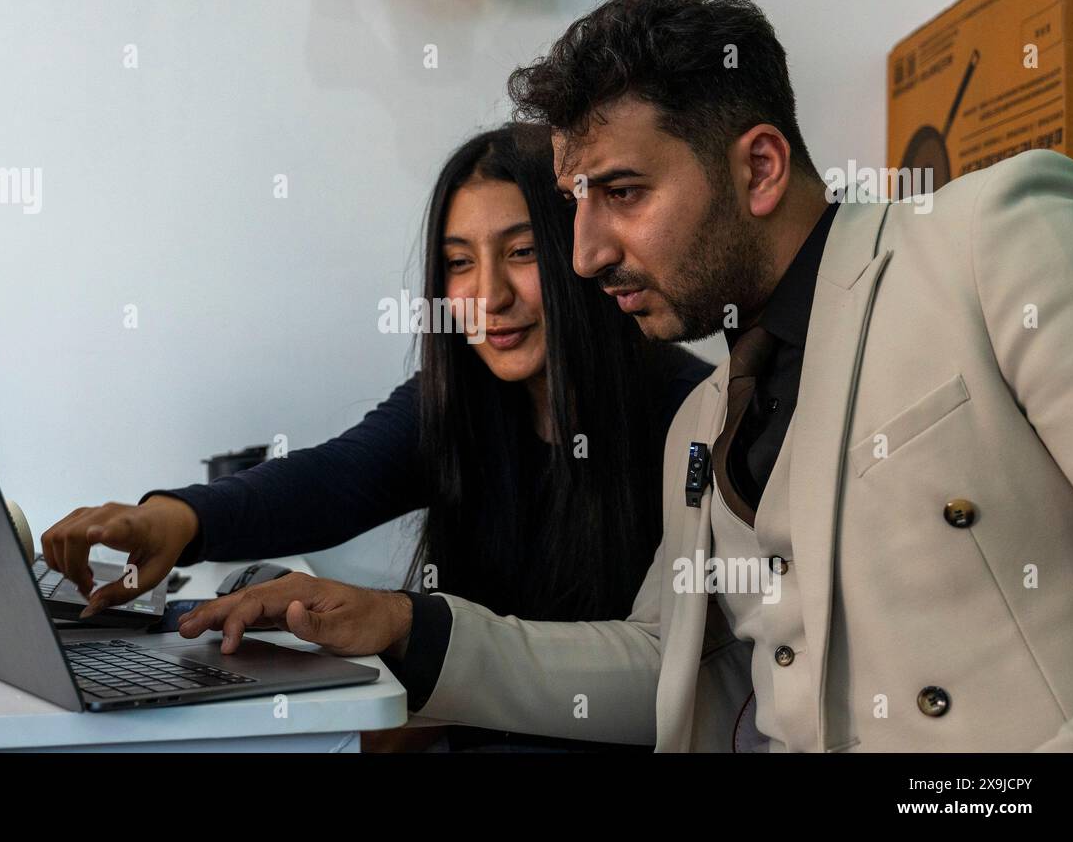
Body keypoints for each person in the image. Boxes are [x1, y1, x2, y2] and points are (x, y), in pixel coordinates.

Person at [178, 0, 1073, 752]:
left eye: (621, 193)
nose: (584, 255)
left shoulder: (986, 241)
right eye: (576, 204)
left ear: (760, 169)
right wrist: (408, 629)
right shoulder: (702, 424)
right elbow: (660, 661)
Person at [40, 122, 710, 750]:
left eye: (522, 253)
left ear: (584, 247)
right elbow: (331, 479)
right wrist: (175, 518)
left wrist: (402, 631)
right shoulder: (459, 402)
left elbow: (666, 680)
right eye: (458, 264)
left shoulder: (696, 415)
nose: (488, 296)